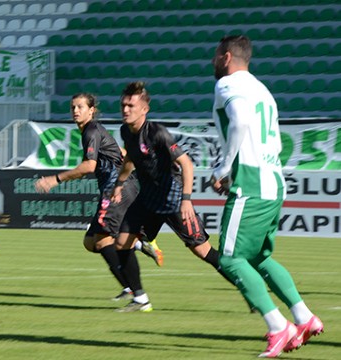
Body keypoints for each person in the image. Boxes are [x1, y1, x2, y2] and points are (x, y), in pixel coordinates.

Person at [210, 35, 323, 358]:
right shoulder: (263, 90)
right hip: (273, 179)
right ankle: (303, 317)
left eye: (217, 56)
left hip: (251, 181)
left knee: (231, 259)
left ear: (227, 57)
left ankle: (278, 326)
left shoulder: (229, 84)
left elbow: (242, 121)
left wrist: (222, 169)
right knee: (258, 258)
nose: (214, 61)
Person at [34, 93, 162, 310]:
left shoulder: (91, 130)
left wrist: (55, 179)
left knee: (103, 241)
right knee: (91, 242)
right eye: (73, 107)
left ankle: (139, 296)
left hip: (116, 189)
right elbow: (121, 152)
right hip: (116, 188)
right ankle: (139, 246)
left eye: (80, 107)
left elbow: (88, 166)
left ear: (91, 110)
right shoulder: (94, 131)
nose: (75, 111)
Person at [112, 81, 231, 312]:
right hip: (147, 199)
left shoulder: (157, 133)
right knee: (121, 243)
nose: (125, 109)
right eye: (123, 105)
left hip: (173, 199)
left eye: (131, 105)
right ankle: (140, 299)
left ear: (144, 109)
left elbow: (186, 164)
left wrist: (186, 199)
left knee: (203, 251)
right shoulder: (125, 131)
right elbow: (129, 160)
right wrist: (119, 184)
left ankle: (246, 285)